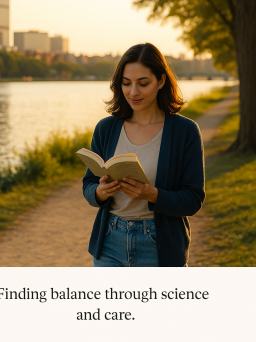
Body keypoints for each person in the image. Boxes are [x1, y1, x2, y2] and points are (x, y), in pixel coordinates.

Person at [83, 43, 205, 267]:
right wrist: (100, 192)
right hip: (110, 241)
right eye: (126, 83)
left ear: (161, 81)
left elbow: (193, 200)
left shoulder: (185, 131)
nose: (133, 92)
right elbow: (89, 185)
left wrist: (153, 194)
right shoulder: (106, 128)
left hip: (159, 246)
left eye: (143, 83)